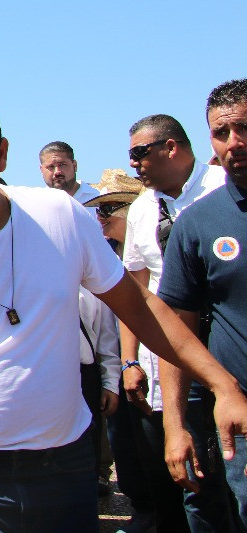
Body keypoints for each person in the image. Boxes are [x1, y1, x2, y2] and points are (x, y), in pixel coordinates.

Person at [0, 90, 247, 533]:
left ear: (2, 154)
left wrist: (223, 385)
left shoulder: (59, 216)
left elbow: (140, 306)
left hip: (66, 472)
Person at [120, 113, 225, 532]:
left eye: (140, 153)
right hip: (168, 359)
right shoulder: (143, 211)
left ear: (172, 148)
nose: (134, 165)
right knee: (185, 477)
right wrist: (128, 362)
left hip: (225, 347)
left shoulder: (222, 190)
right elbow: (134, 292)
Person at [159, 79, 247, 531]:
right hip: (239, 415)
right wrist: (176, 425)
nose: (236, 142)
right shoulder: (197, 224)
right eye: (222, 132)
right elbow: (177, 330)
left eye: (245, 127)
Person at [83, 170, 154, 532]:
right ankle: (142, 508)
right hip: (121, 370)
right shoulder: (103, 259)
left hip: (154, 369)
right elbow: (103, 329)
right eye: (99, 208)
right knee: (127, 450)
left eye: (111, 207)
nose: (102, 216)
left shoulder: (157, 259)